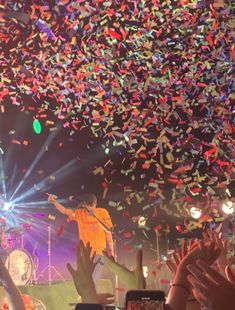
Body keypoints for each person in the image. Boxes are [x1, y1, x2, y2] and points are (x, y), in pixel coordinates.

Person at [48, 193, 114, 282]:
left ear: (96, 204)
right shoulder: (79, 214)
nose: (90, 208)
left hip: (99, 252)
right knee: (86, 280)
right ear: (84, 205)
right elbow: (64, 210)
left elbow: (108, 233)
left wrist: (112, 253)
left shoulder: (103, 213)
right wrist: (54, 202)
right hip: (85, 253)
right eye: (88, 205)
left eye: (92, 205)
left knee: (94, 279)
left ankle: (91, 295)